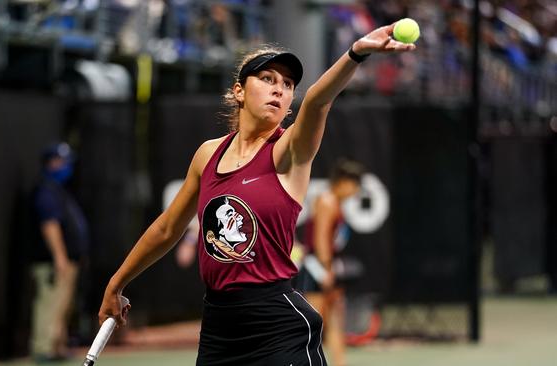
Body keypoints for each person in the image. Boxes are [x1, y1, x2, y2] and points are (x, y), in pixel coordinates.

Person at [98, 23, 414, 365]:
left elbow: (319, 102)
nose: (279, 89)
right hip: (219, 327)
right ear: (239, 91)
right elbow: (167, 228)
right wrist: (116, 283)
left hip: (277, 325)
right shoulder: (208, 155)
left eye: (288, 84)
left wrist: (357, 52)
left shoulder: (288, 152)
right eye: (267, 79)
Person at [293, 158, 366, 366]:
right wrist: (326, 270)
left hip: (329, 266)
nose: (355, 191)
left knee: (335, 322)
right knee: (313, 323)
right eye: (355, 185)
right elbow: (321, 239)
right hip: (318, 267)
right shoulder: (327, 201)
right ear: (343, 182)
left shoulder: (336, 203)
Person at [30, 142, 90, 362]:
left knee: (62, 305)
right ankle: (43, 348)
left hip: (68, 260)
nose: (66, 166)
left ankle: (57, 346)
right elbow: (50, 225)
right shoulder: (46, 190)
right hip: (53, 262)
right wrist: (60, 256)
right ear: (51, 162)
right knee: (50, 304)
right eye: (62, 161)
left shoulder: (59, 190)